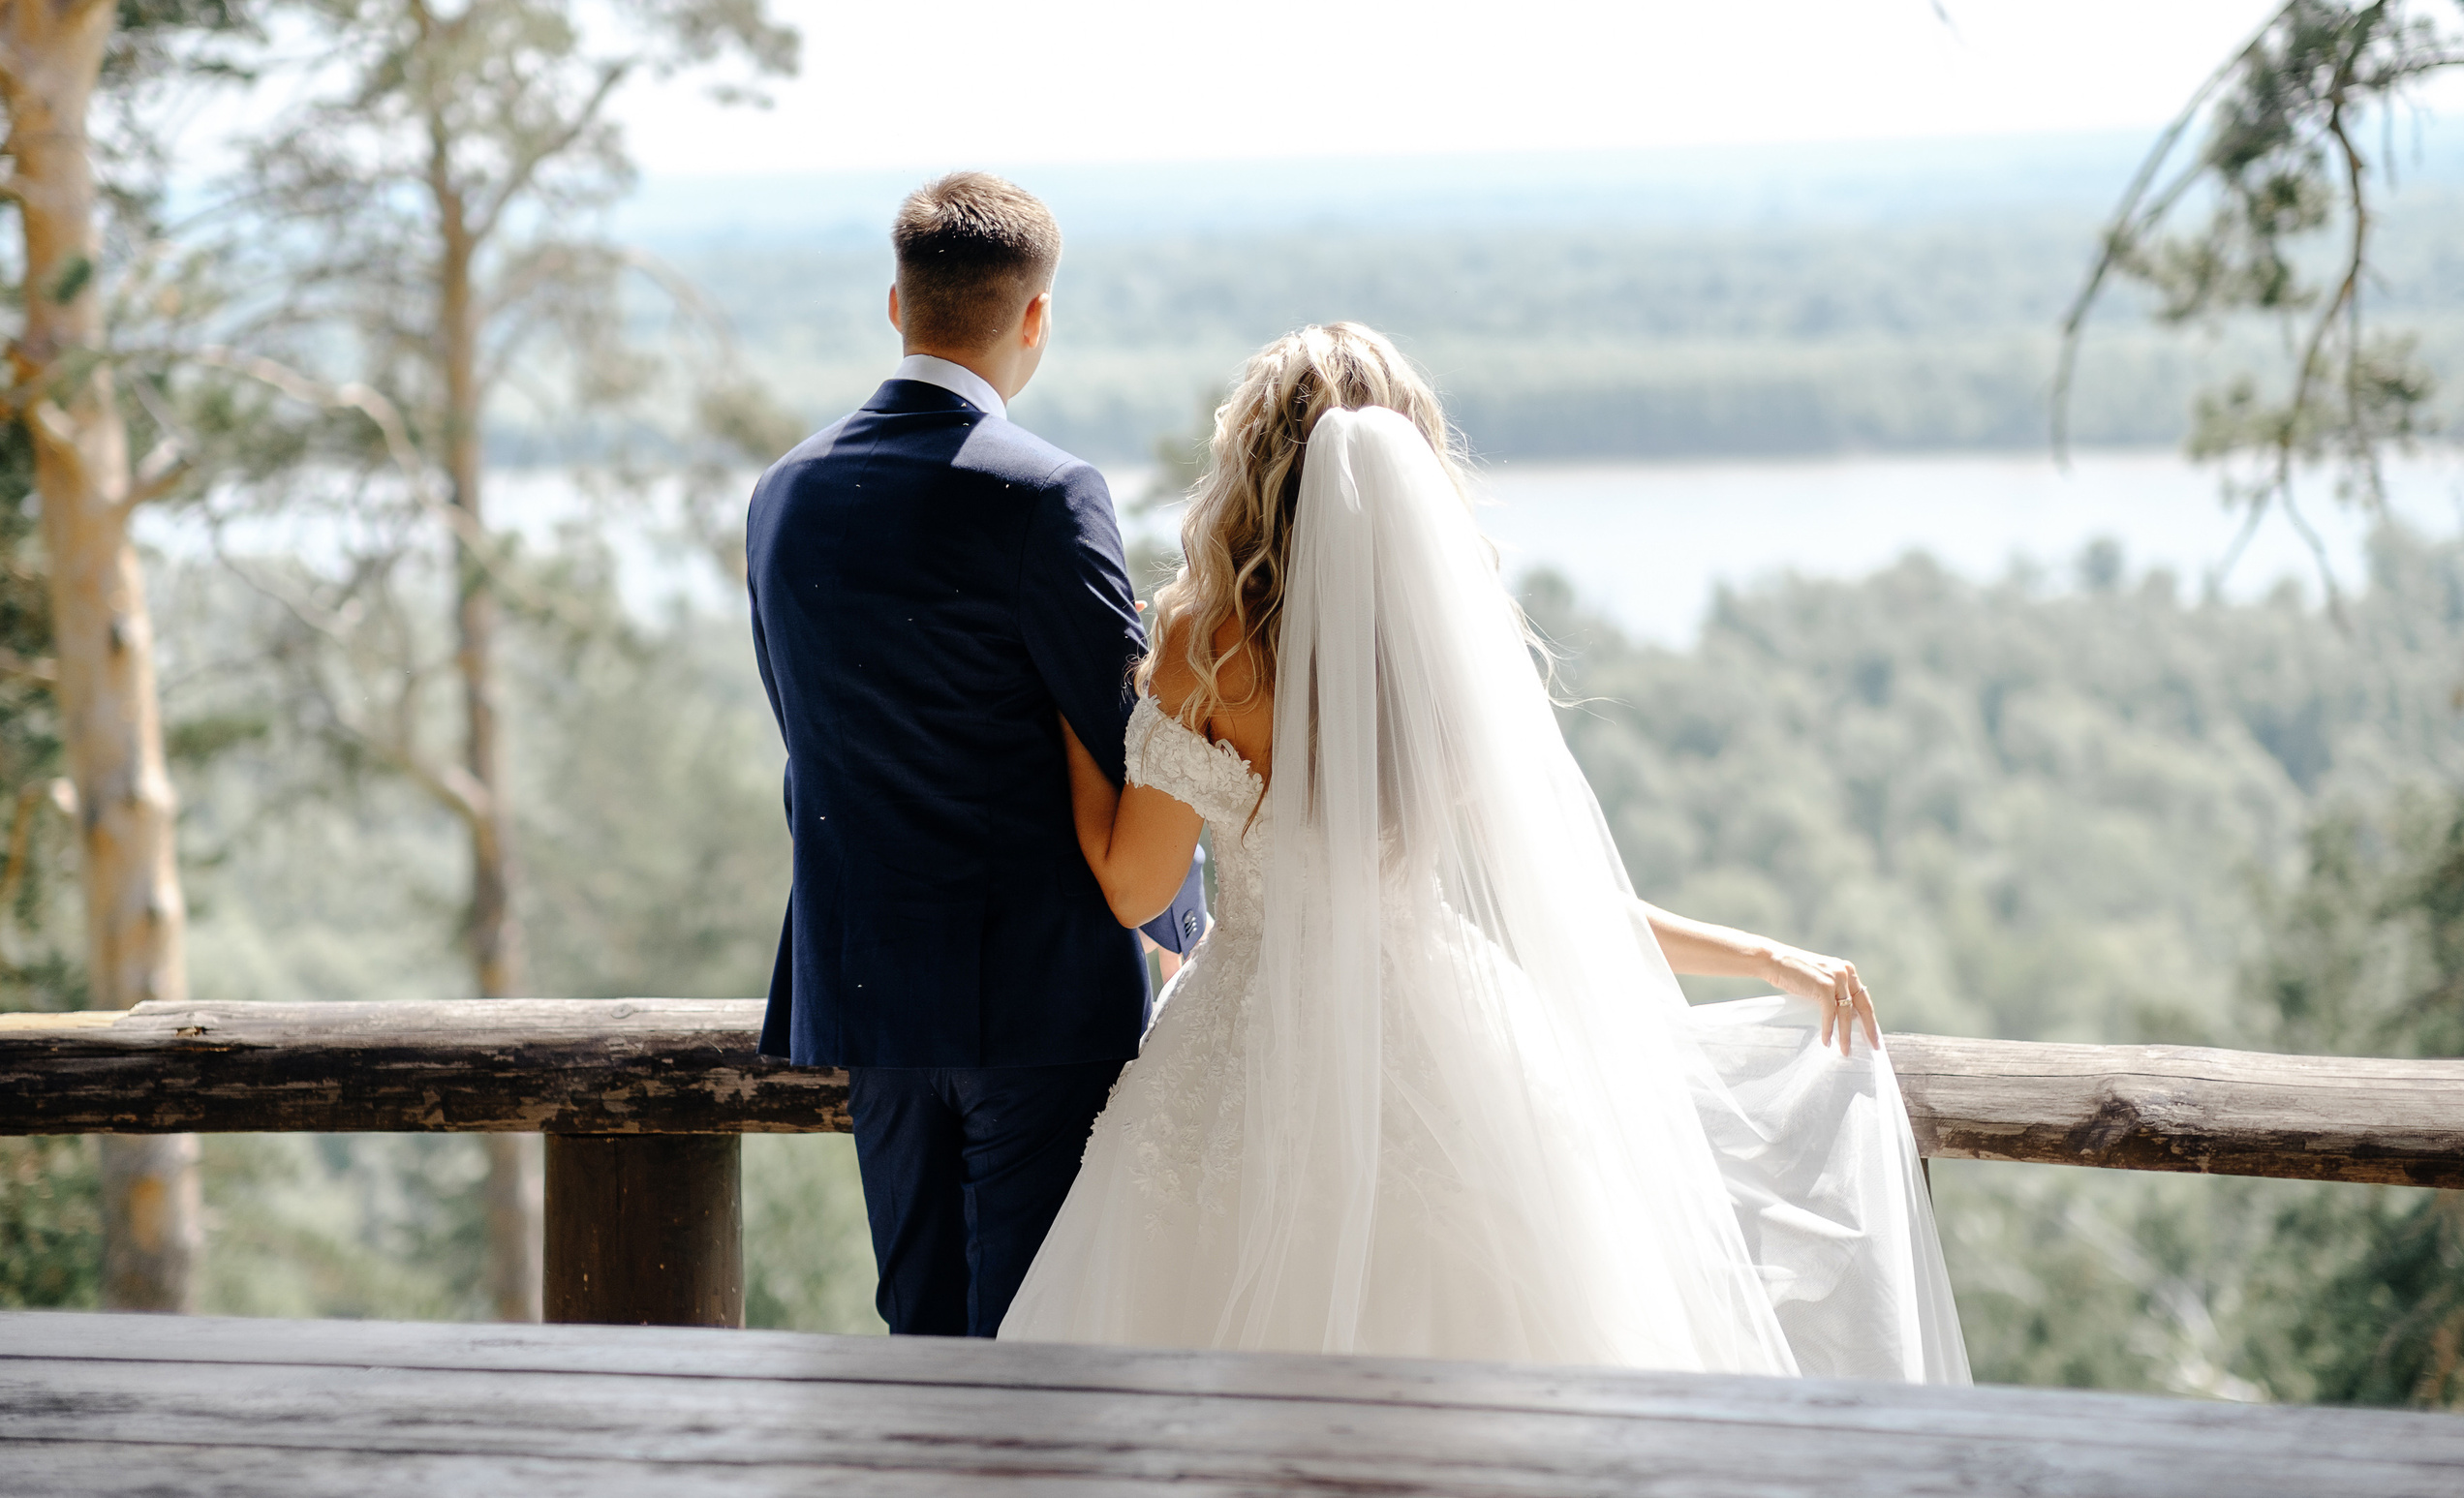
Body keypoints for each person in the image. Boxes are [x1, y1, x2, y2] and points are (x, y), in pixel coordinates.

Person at [1000, 323, 1970, 1381]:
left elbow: (1134, 884)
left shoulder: (1201, 646)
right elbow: (1559, 895)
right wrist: (1765, 956)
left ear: (1250, 462)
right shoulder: (1439, 661)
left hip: (1244, 1039)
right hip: (1448, 1038)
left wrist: (1075, 729)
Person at [748, 172, 1204, 1338]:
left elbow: (809, 736)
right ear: (1035, 316)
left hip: (867, 993)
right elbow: (1140, 747)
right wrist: (1189, 938)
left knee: (920, 1332)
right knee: (1036, 1345)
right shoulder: (1047, 495)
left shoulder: (782, 494)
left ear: (895, 305)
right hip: (1040, 995)